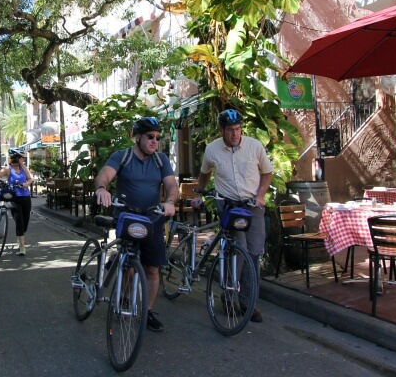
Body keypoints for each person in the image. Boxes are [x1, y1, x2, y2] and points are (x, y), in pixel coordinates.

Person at [95, 116, 178, 333]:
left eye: (158, 138)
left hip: (152, 218)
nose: (154, 141)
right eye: (150, 137)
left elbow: (171, 185)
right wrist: (102, 188)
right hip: (128, 215)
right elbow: (105, 174)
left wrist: (170, 201)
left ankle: (147, 311)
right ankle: (122, 296)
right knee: (130, 264)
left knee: (153, 268)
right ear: (138, 137)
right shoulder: (122, 156)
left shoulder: (161, 160)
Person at [196, 108, 273, 323]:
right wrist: (199, 195)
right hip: (229, 206)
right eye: (230, 130)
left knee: (255, 252)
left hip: (252, 206)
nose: (235, 134)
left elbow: (267, 172)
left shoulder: (254, 146)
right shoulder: (212, 150)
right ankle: (229, 297)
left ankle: (248, 303)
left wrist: (260, 195)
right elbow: (204, 173)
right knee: (238, 252)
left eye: (238, 129)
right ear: (221, 130)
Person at [0, 149, 34, 256]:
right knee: (19, 220)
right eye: (21, 157)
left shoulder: (23, 168)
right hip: (14, 198)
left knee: (25, 223)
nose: (23, 159)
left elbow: (30, 179)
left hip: (26, 197)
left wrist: (27, 184)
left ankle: (20, 237)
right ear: (16, 158)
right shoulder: (8, 169)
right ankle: (22, 246)